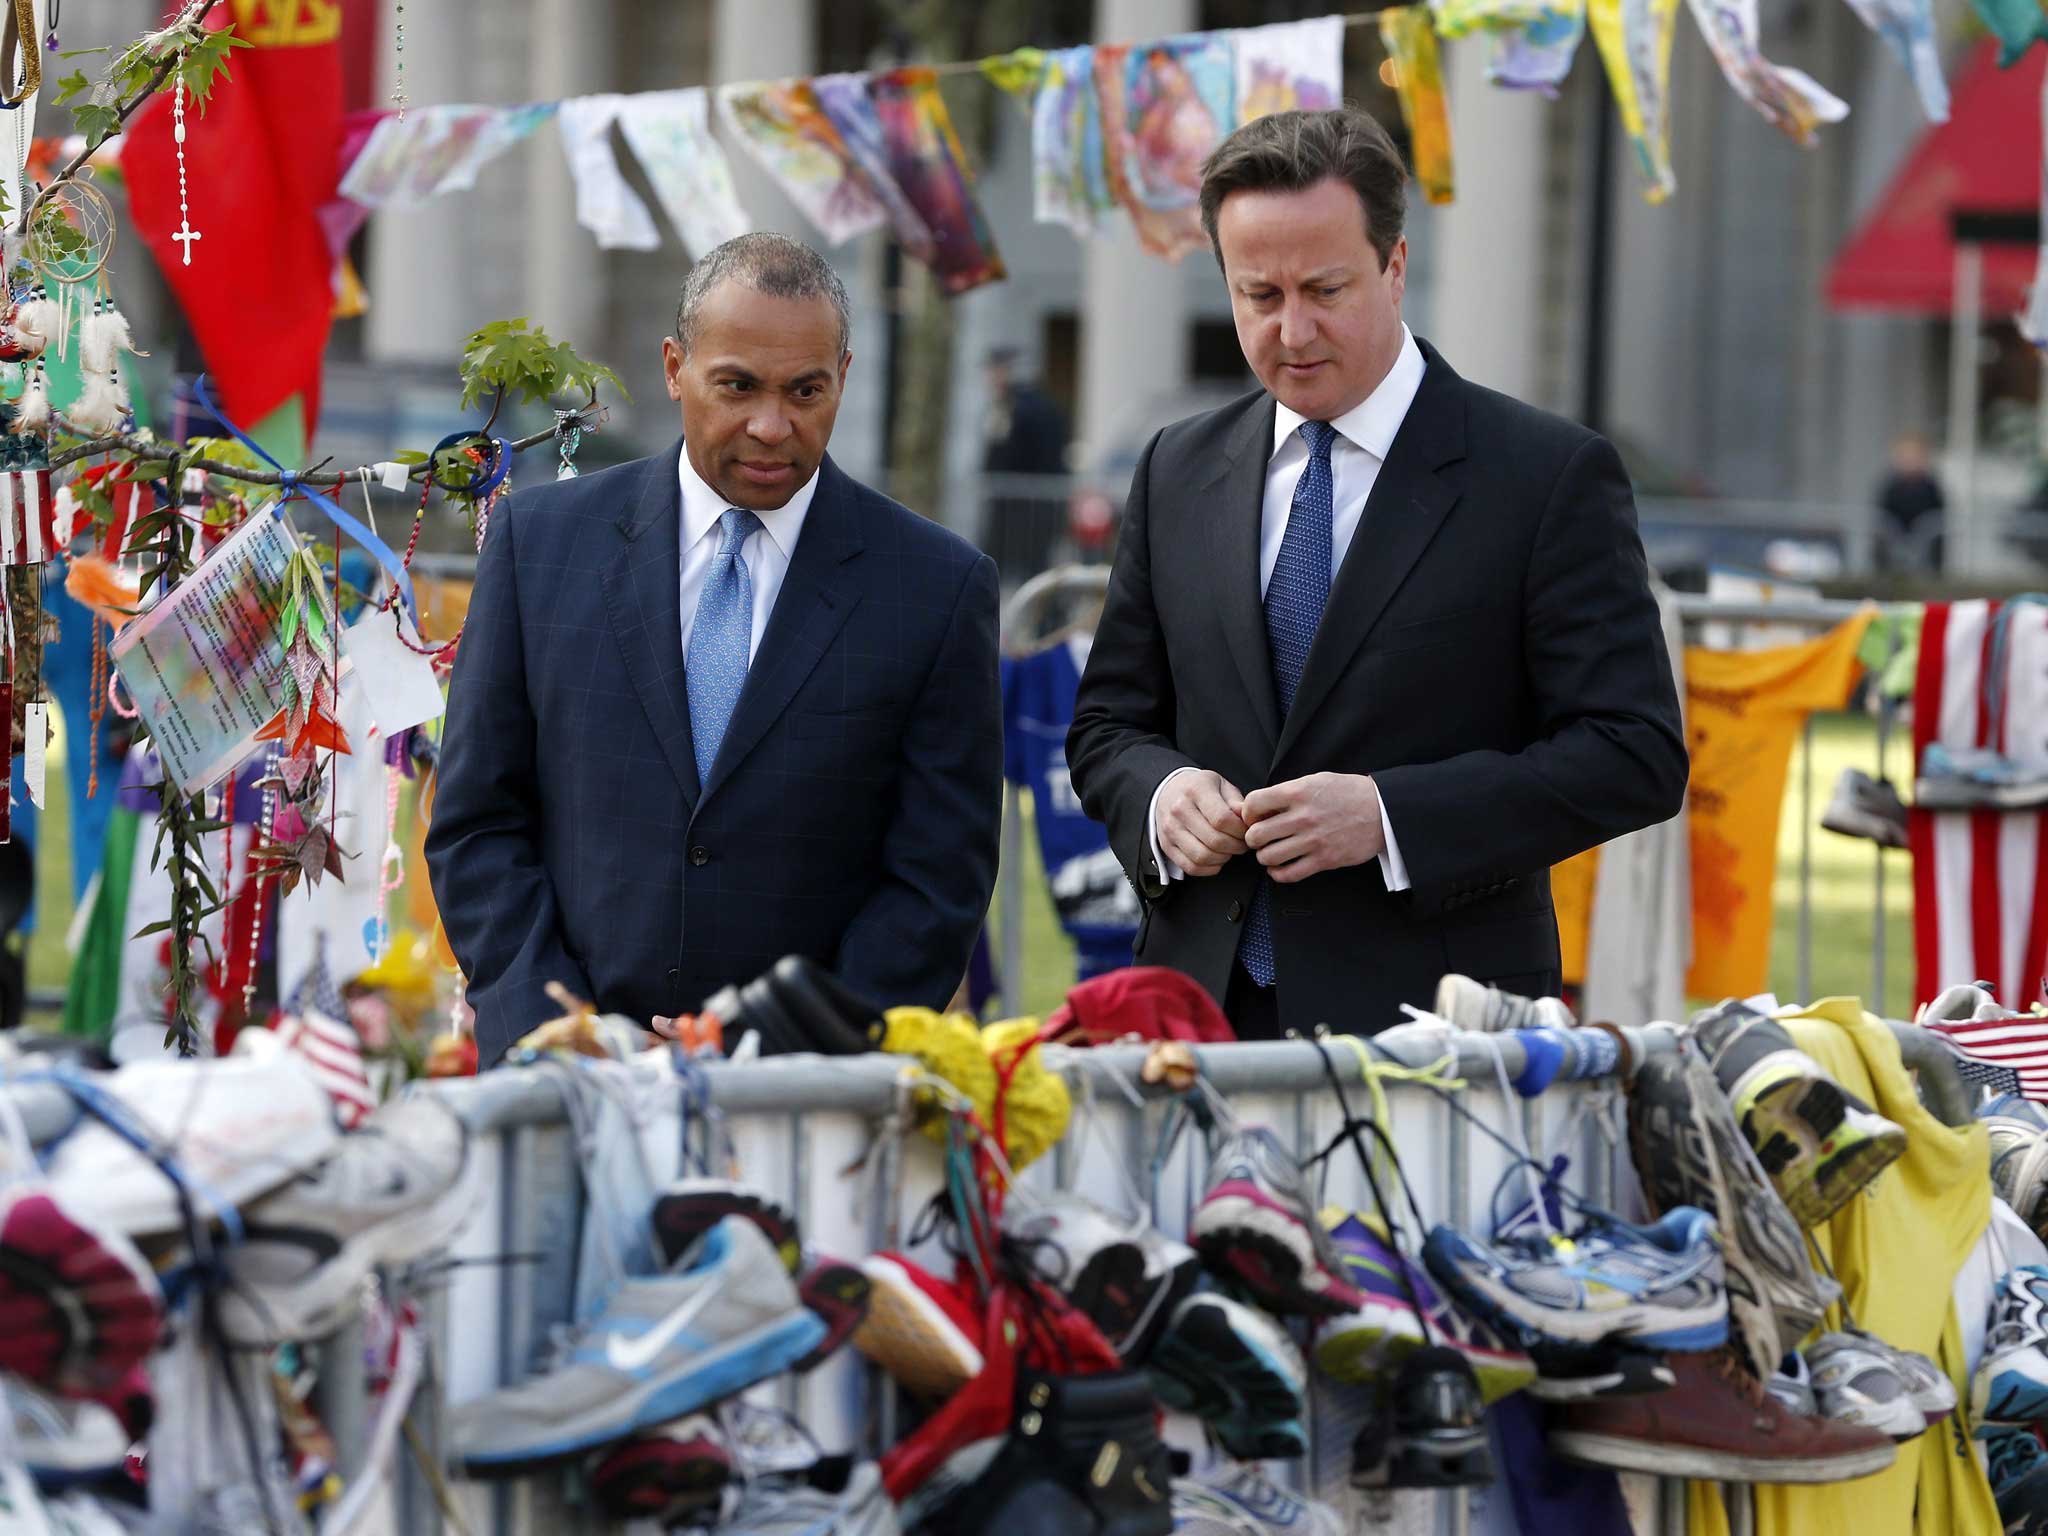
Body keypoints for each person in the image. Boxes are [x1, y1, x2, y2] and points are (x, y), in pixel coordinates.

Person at [1066, 108, 1688, 1041]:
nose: (1292, 329)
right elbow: (1109, 725)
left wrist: (1390, 817)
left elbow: (1632, 753)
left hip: (1438, 1031)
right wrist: (1162, 797)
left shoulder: (1544, 475)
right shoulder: (1176, 469)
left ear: (1395, 268)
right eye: (1257, 295)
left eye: (1325, 288)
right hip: (1197, 1021)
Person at [428, 233, 1003, 1066]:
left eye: (806, 391)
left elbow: (938, 880)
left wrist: (792, 1048)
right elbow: (478, 823)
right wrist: (550, 1029)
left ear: (843, 376)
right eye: (736, 386)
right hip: (561, 1083)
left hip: (803, 1100)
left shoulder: (936, 588)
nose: (771, 426)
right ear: (674, 368)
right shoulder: (540, 545)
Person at [981, 346, 1070, 577]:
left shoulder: (1017, 408)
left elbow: (1006, 452)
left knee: (1018, 565)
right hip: (1030, 502)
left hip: (1020, 503)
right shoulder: (1042, 404)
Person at [1875, 432, 1944, 573]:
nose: (1910, 461)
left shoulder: (1931, 487)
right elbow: (1882, 515)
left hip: (1926, 551)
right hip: (1893, 545)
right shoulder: (1890, 486)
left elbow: (1938, 516)